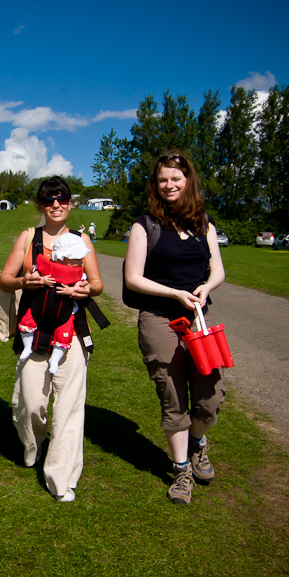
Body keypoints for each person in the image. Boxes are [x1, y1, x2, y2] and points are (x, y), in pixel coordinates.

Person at [124, 151, 225, 505]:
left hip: (196, 321)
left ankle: (198, 441)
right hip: (158, 317)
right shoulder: (145, 225)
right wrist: (173, 292)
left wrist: (206, 288)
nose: (169, 185)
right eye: (163, 179)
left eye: (176, 179)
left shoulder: (203, 223)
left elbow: (218, 270)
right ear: (156, 184)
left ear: (188, 181)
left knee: (210, 395)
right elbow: (132, 278)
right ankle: (182, 471)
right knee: (172, 394)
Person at [0, 176, 104, 503]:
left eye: (62, 199)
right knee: (30, 402)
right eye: (48, 199)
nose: (56, 204)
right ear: (40, 205)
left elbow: (97, 284)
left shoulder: (81, 239)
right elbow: (5, 280)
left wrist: (85, 288)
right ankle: (35, 444)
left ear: (70, 203)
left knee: (69, 408)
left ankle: (62, 480)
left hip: (72, 332)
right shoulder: (29, 238)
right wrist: (25, 281)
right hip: (35, 329)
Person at [17, 232, 90, 374]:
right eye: (78, 258)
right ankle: (27, 346)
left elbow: (82, 285)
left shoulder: (80, 274)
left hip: (65, 315)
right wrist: (42, 280)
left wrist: (72, 290)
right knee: (27, 322)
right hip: (38, 310)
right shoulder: (45, 267)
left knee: (64, 334)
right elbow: (35, 275)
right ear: (64, 258)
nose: (82, 261)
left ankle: (55, 360)